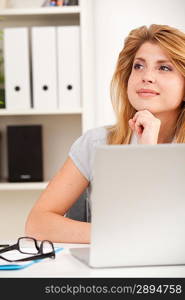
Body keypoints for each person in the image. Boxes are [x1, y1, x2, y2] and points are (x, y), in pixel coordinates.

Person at [25, 24, 185, 243]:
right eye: (138, 66)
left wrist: (150, 150)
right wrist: (114, 236)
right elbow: (38, 223)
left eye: (164, 68)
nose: (146, 76)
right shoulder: (96, 143)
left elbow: (161, 230)